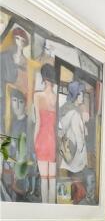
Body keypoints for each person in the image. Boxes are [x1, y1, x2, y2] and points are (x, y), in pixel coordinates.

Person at [33, 63, 57, 203]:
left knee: (43, 180)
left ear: (44, 78)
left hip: (42, 139)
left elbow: (38, 122)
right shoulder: (56, 98)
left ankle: (44, 207)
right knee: (52, 179)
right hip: (52, 140)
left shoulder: (38, 96)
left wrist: (34, 141)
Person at [58, 80, 89, 175]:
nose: (82, 96)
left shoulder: (70, 109)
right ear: (75, 95)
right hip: (74, 153)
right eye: (80, 94)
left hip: (69, 151)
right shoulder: (74, 113)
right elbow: (79, 136)